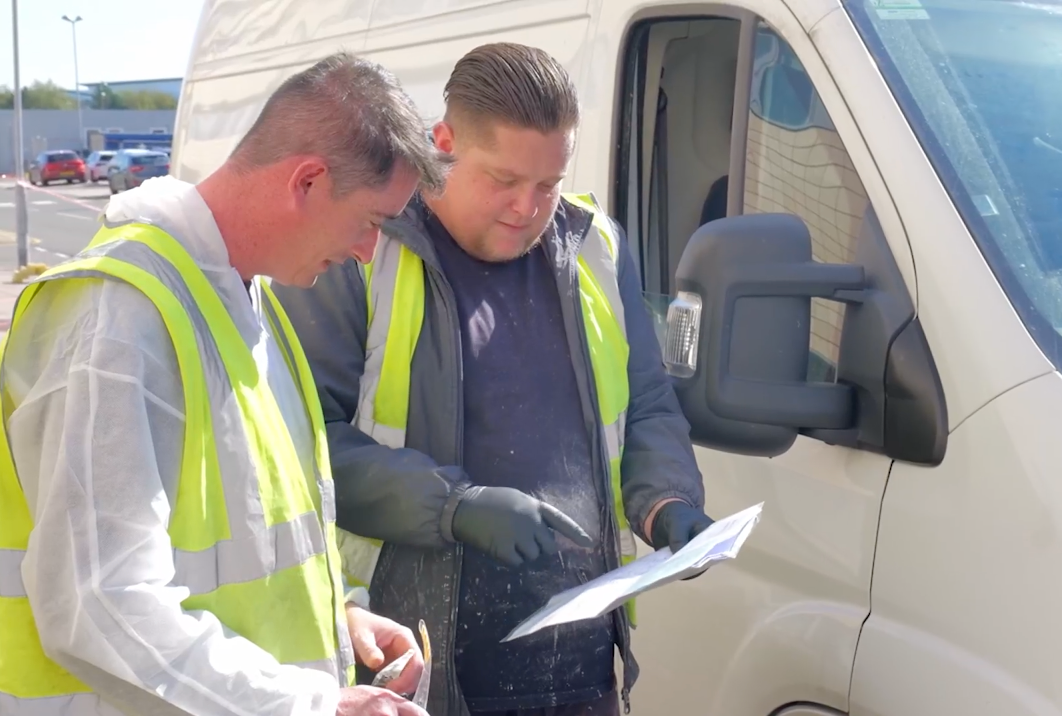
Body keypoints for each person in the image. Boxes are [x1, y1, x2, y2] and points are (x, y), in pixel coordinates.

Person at [0, 52, 452, 716]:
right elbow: (100, 602)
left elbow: (248, 542)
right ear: (306, 180)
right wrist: (307, 706)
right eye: (371, 222)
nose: (366, 252)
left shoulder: (242, 298)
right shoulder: (121, 320)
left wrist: (339, 618)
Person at [271, 42, 715, 716]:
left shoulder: (595, 247)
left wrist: (666, 502)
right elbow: (300, 445)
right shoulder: (359, 249)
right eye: (503, 180)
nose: (525, 208)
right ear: (442, 142)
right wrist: (456, 506)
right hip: (413, 666)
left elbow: (646, 402)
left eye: (547, 184)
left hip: (580, 668)